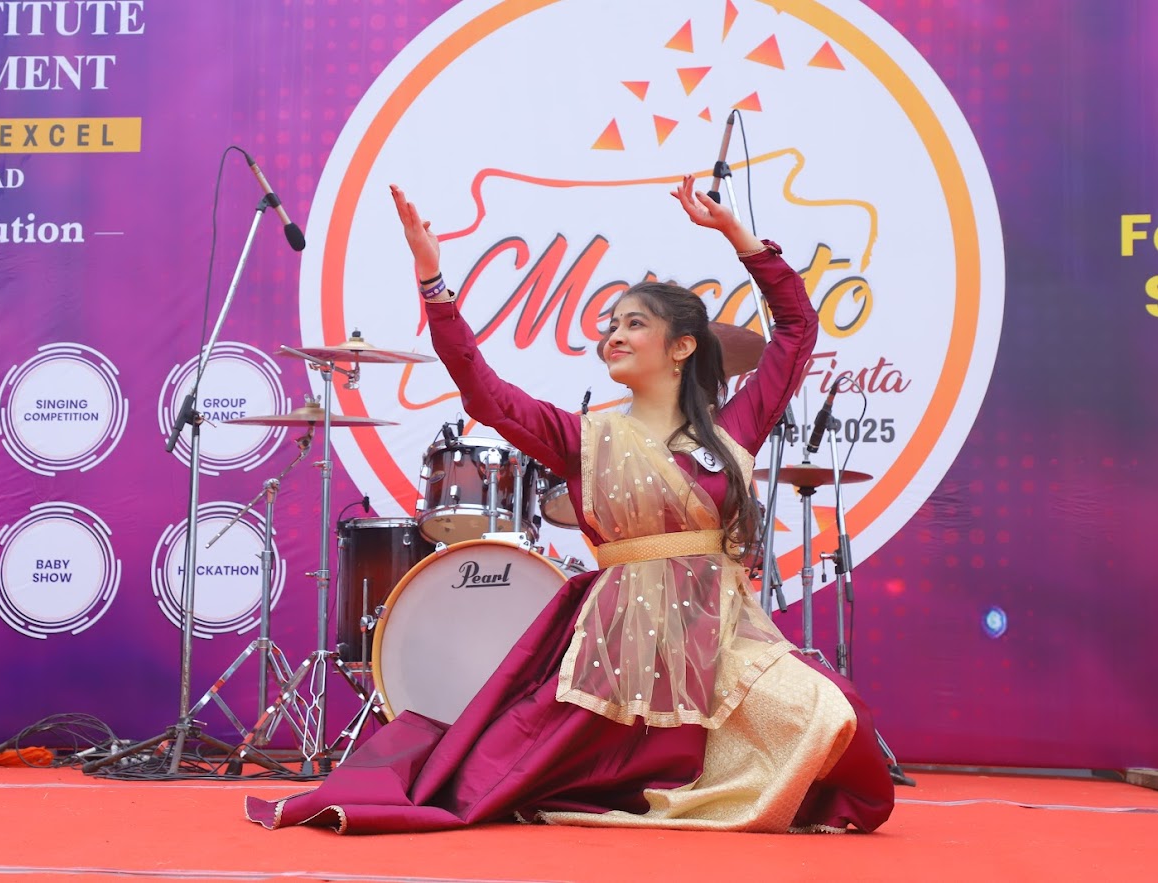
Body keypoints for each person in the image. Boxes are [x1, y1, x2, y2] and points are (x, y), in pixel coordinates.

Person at [245, 176, 895, 834]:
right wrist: (433, 281)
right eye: (611, 326)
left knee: (827, 713)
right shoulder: (586, 441)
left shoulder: (732, 430)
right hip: (617, 646)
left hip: (719, 636)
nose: (614, 335)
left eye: (634, 323)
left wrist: (738, 237)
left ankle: (711, 783)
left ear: (682, 346)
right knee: (492, 774)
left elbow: (796, 329)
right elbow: (483, 391)